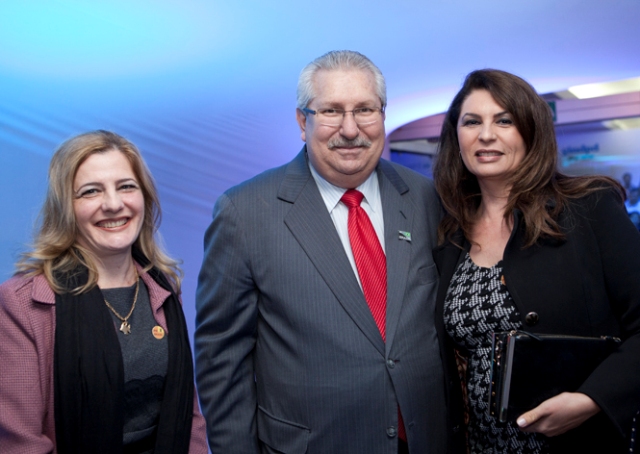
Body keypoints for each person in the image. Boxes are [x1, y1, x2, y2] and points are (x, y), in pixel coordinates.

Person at [195, 50, 456, 453]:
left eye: (365, 109)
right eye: (331, 111)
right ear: (303, 122)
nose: (350, 129)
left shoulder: (424, 197)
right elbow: (222, 359)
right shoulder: (244, 212)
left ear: (383, 114)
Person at [432, 69, 640, 453]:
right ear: (455, 136)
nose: (486, 134)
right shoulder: (449, 233)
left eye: (504, 121)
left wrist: (591, 400)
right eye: (472, 121)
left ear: (532, 131)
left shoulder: (589, 208)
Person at [0, 130, 208, 454]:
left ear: (144, 197)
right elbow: (21, 443)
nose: (113, 204)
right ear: (66, 208)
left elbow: (189, 416)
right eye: (91, 191)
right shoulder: (22, 303)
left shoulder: (164, 288)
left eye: (126, 186)